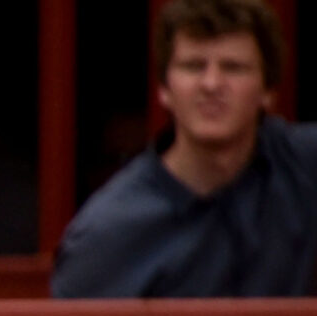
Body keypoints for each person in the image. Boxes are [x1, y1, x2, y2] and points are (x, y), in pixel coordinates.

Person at [53, 0, 317, 298]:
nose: (212, 83)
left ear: (268, 91)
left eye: (233, 67)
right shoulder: (108, 234)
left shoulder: (302, 164)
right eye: (193, 66)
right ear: (164, 89)